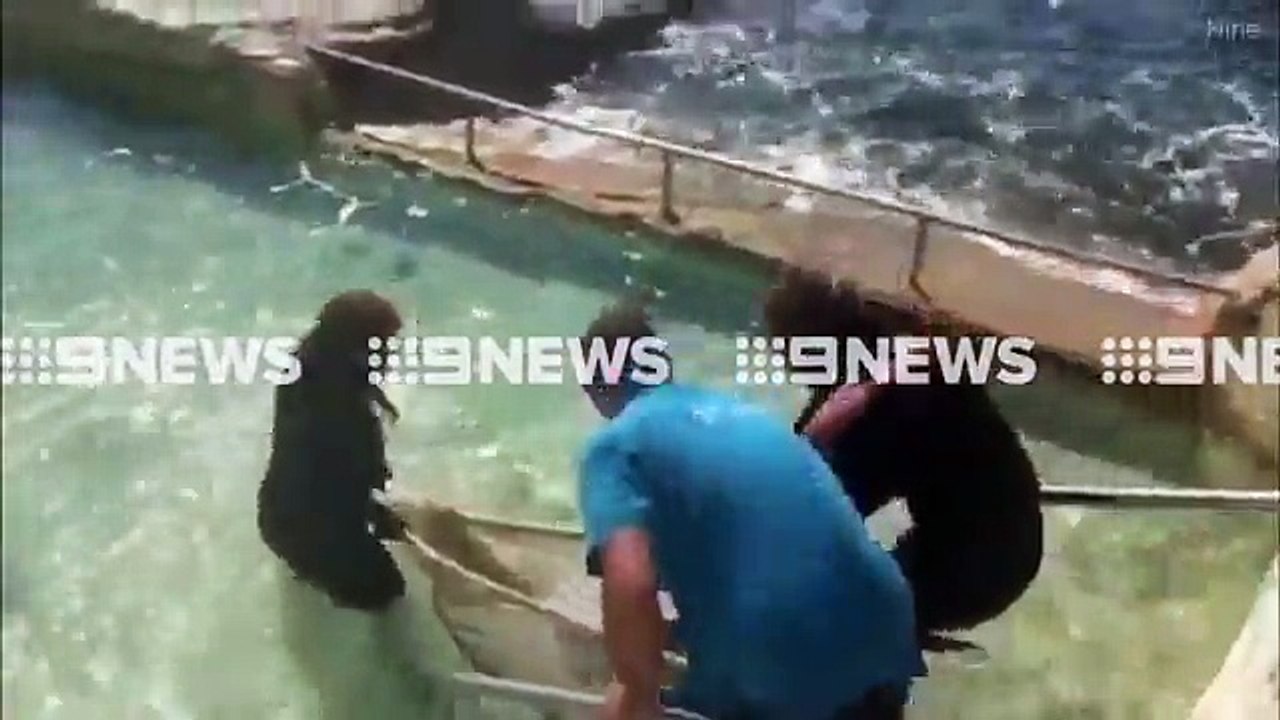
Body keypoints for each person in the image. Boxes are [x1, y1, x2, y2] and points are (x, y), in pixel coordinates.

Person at [576, 302, 925, 720]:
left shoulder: (614, 447)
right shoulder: (741, 411)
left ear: (594, 387)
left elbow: (631, 583)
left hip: (784, 658)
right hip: (885, 623)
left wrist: (639, 695)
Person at [763, 268, 1043, 651]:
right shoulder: (888, 355)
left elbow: (815, 510)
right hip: (1006, 533)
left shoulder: (880, 412)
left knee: (802, 609)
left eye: (783, 350)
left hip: (980, 570)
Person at [257, 289, 408, 612]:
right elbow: (333, 479)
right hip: (306, 526)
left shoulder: (314, 365)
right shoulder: (334, 407)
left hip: (282, 515)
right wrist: (381, 515)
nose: (392, 354)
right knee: (386, 592)